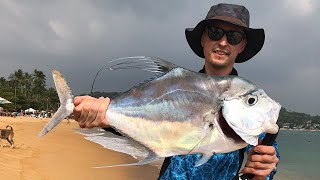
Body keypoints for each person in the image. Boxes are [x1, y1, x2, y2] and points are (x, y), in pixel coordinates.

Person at [73, 3, 279, 180]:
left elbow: (264, 169)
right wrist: (103, 116)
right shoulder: (174, 85)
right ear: (203, 39)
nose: (223, 42)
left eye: (234, 37)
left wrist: (264, 171)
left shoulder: (252, 107)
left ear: (241, 46)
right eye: (215, 33)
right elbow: (145, 121)